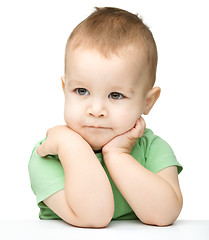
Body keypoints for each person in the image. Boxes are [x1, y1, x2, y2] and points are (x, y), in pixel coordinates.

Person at [28, 7, 183, 228]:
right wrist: (71, 145)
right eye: (81, 91)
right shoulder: (50, 154)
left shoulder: (152, 149)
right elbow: (93, 217)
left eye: (115, 95)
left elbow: (164, 215)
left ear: (147, 102)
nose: (96, 110)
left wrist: (118, 155)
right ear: (65, 88)